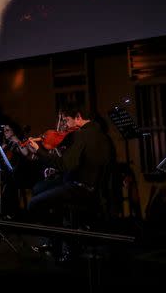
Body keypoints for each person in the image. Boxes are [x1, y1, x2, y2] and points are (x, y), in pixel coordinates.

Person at [26, 104, 115, 263]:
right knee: (40, 188)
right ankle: (57, 242)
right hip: (93, 188)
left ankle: (66, 241)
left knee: (34, 203)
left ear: (78, 117)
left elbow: (65, 164)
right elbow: (82, 163)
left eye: (67, 120)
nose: (65, 125)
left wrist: (39, 151)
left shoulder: (82, 135)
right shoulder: (103, 136)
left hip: (79, 188)